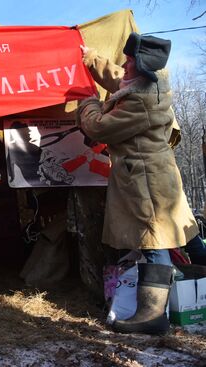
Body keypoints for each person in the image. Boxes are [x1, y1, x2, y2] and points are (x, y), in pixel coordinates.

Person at [77, 32, 199, 335]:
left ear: (143, 69)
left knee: (153, 239)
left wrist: (87, 104)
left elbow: (99, 127)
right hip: (154, 175)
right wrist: (91, 58)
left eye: (131, 62)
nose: (125, 65)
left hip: (145, 180)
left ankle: (152, 315)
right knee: (185, 236)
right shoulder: (148, 80)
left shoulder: (141, 101)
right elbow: (117, 77)